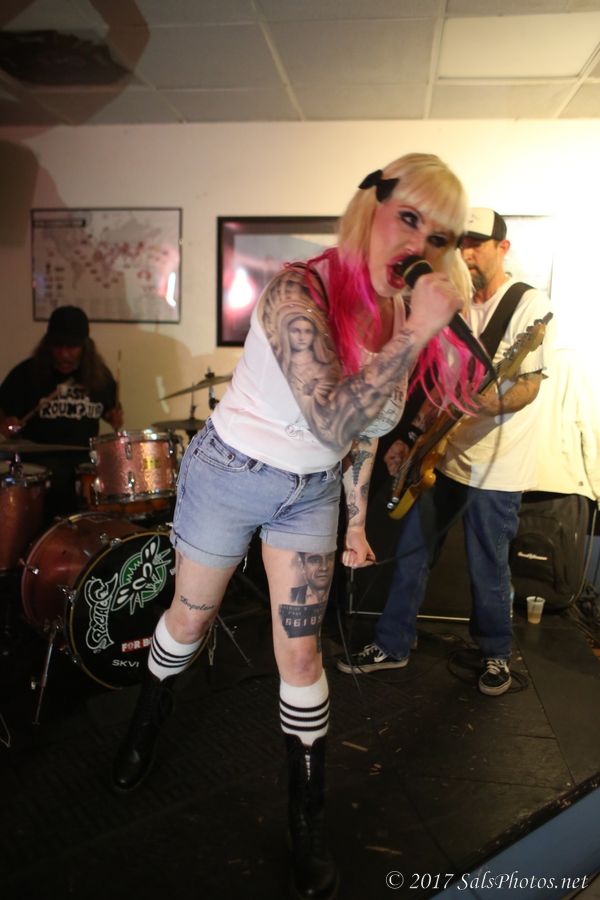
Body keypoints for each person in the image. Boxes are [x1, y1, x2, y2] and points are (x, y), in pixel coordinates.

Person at [111, 153, 480, 900]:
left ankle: (305, 819)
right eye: (409, 219)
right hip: (230, 473)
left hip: (310, 491)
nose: (419, 245)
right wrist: (416, 333)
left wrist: (354, 518)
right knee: (190, 620)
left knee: (303, 653)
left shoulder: (393, 315)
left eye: (439, 237)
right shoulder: (296, 291)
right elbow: (333, 415)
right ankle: (146, 720)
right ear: (371, 208)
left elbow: (360, 436)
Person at [338, 208, 551, 698]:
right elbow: (441, 385)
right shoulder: (458, 306)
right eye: (462, 244)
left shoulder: (526, 303)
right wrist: (412, 436)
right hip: (444, 458)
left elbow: (528, 387)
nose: (467, 253)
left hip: (498, 466)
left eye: (478, 243)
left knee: (487, 565)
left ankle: (496, 653)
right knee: (412, 554)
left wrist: (482, 404)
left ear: (503, 247)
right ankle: (393, 644)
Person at [0, 305, 123, 516]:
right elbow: (2, 411)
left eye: (72, 347)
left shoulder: (99, 376)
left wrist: (115, 416)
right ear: (48, 344)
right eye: (58, 346)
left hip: (83, 459)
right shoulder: (26, 374)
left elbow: (112, 410)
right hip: (40, 462)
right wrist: (5, 422)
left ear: (85, 347)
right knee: (59, 478)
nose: (64, 354)